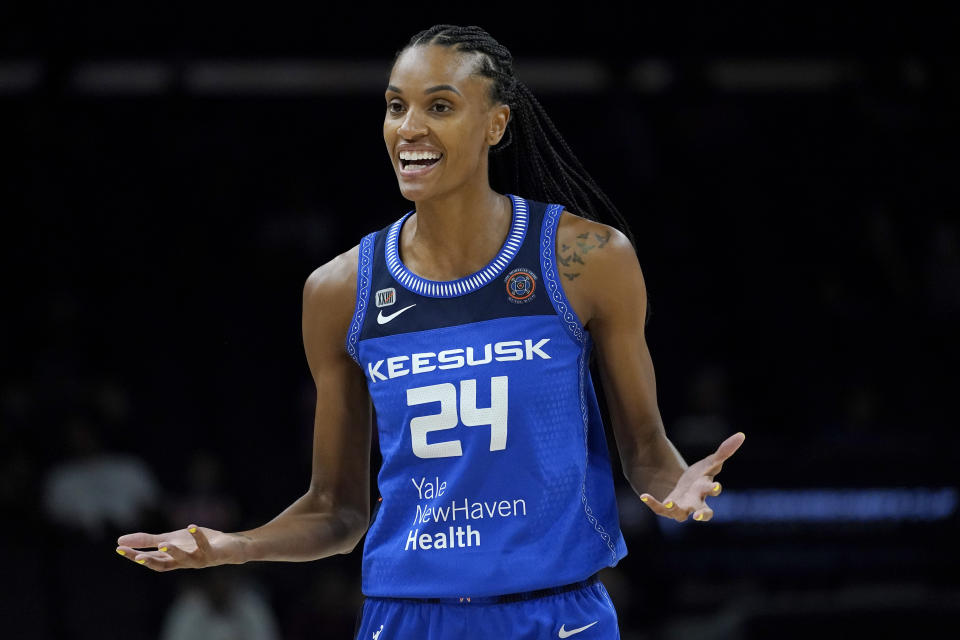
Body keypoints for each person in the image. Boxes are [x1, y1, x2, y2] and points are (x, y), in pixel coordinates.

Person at [116, 24, 745, 639]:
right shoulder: (339, 292)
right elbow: (336, 510)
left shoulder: (587, 259)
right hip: (408, 616)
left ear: (496, 125)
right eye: (396, 107)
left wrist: (673, 485)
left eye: (439, 106)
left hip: (555, 614)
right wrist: (231, 545)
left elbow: (644, 450)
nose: (408, 128)